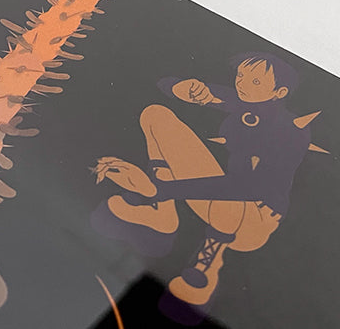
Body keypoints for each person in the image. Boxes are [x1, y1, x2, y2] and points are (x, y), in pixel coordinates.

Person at [93, 52, 320, 309]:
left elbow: (247, 188)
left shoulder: (291, 131)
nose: (242, 84)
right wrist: (182, 88)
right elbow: (170, 85)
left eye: (256, 82)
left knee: (235, 197)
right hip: (217, 196)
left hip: (254, 220)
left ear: (280, 92)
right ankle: (161, 214)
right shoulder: (245, 101)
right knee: (155, 115)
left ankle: (207, 263)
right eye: (241, 75)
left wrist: (159, 189)